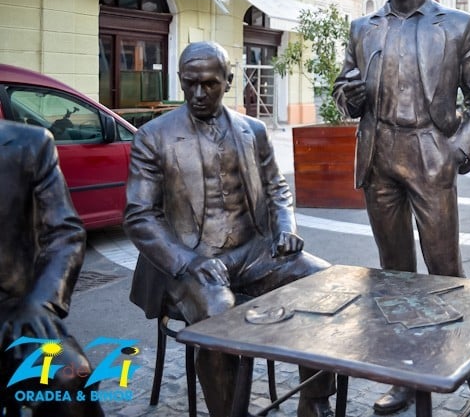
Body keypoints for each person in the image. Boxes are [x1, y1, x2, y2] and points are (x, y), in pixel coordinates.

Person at [332, 0, 470, 416]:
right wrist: (350, 97)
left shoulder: (457, 25)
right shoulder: (364, 28)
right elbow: (344, 91)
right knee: (395, 274)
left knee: (446, 271)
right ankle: (404, 376)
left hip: (430, 151)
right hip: (379, 153)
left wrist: (458, 152)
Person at [124, 41, 336, 417]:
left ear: (229, 81)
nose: (198, 93)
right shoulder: (153, 137)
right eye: (189, 83)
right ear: (180, 80)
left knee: (322, 281)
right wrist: (188, 261)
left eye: (209, 84)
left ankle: (314, 400)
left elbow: (276, 188)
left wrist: (286, 226)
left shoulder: (252, 130)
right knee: (220, 312)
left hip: (253, 253)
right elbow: (139, 216)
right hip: (190, 262)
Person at [0, 120, 104, 417]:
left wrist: (40, 301)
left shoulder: (29, 143)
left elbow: (64, 233)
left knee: (71, 374)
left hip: (12, 313)